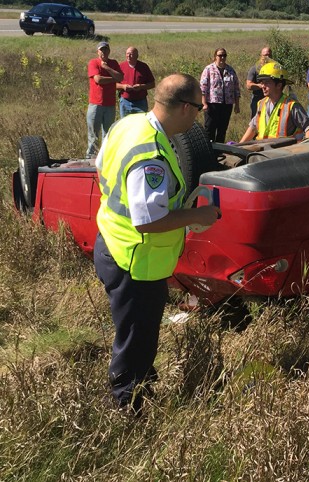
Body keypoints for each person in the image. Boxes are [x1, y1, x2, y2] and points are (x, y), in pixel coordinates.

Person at [94, 73, 221, 413]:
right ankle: (129, 408)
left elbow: (100, 168)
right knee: (135, 338)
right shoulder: (151, 154)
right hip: (135, 262)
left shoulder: (128, 125)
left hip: (112, 243)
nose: (199, 114)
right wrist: (198, 217)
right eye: (197, 107)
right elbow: (147, 220)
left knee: (140, 333)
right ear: (183, 107)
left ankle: (140, 384)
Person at [239, 61, 309, 142]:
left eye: (267, 82)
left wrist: (306, 149)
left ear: (279, 85)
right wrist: (238, 147)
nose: (263, 86)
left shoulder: (291, 106)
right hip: (263, 152)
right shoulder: (261, 104)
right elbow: (253, 128)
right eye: (262, 82)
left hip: (284, 153)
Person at [86, 41, 123, 158]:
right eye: (101, 50)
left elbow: (121, 77)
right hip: (96, 104)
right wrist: (113, 79)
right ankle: (91, 156)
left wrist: (107, 67)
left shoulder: (113, 63)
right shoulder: (93, 63)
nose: (104, 52)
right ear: (98, 52)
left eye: (106, 49)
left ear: (109, 51)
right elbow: (98, 79)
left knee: (108, 133)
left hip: (110, 104)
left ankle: (105, 156)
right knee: (93, 134)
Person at [200, 48, 241, 142]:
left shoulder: (230, 70)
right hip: (212, 103)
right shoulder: (209, 69)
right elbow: (203, 87)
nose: (222, 57)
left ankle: (219, 151)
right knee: (210, 128)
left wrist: (237, 105)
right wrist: (204, 103)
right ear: (215, 57)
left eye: (224, 55)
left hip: (227, 104)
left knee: (222, 129)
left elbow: (236, 88)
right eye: (220, 55)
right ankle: (209, 150)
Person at [116, 46, 156, 118]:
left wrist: (141, 87)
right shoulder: (121, 66)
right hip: (125, 102)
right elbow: (113, 84)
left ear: (137, 56)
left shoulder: (143, 67)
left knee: (140, 125)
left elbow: (152, 84)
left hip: (140, 102)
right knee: (125, 125)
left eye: (131, 54)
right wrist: (123, 87)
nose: (128, 56)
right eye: (127, 53)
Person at [246, 46, 273, 119]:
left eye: (269, 55)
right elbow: (248, 85)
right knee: (256, 122)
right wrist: (261, 86)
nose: (267, 57)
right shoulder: (254, 69)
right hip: (258, 100)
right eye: (265, 55)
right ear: (261, 56)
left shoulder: (275, 69)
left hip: (272, 100)